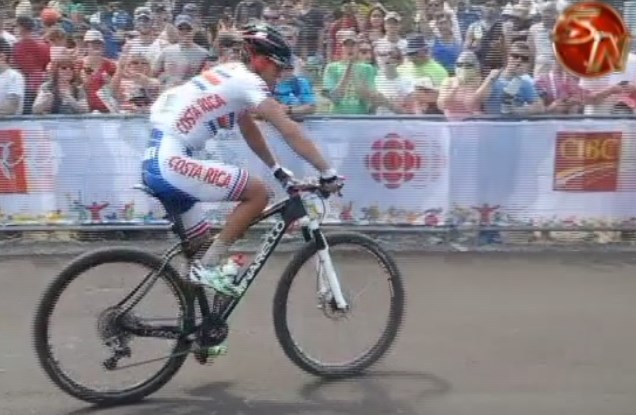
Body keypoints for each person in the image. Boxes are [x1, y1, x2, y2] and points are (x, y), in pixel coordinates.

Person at [142, 23, 341, 298]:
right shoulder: (249, 82)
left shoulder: (229, 74)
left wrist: (276, 168)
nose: (280, 77)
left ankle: (197, 332)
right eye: (278, 68)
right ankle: (207, 268)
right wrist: (327, 171)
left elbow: (248, 126)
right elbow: (288, 128)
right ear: (261, 61)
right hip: (171, 161)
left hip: (160, 158)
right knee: (258, 194)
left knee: (201, 251)